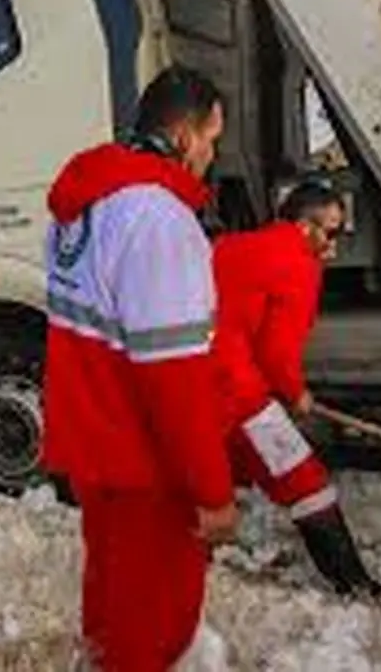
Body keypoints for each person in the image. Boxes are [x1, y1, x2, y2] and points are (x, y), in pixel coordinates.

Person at [42, 65, 238, 670]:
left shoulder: (79, 208)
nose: (210, 155)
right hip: (144, 463)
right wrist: (212, 492)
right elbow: (171, 377)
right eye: (210, 139)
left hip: (94, 451)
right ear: (182, 135)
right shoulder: (159, 220)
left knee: (110, 600)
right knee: (153, 625)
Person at [212, 180, 381, 599]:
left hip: (182, 379)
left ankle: (206, 568)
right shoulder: (297, 264)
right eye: (331, 232)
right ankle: (357, 587)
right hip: (232, 389)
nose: (335, 247)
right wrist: (295, 392)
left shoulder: (232, 245)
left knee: (223, 474)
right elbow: (276, 352)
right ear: (305, 227)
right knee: (305, 481)